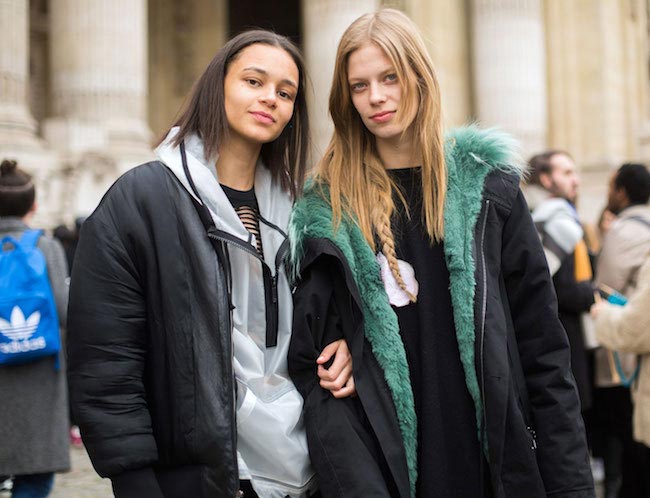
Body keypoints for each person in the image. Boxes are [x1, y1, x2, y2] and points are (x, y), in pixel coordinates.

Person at [287, 8, 594, 498]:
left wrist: (571, 485)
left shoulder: (489, 193)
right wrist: (346, 350)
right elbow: (311, 357)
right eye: (359, 85)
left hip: (491, 466)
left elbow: (544, 352)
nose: (377, 97)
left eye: (390, 77)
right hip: (386, 473)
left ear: (419, 77)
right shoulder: (329, 214)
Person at [67, 30, 342, 498]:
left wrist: (345, 345)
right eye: (253, 81)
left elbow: (329, 317)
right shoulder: (140, 201)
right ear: (218, 86)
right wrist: (133, 478)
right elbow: (107, 360)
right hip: (194, 474)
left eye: (285, 93)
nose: (269, 99)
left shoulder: (304, 211)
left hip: (306, 468)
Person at [0, 159, 70, 497]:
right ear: (34, 205)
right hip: (38, 377)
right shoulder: (45, 248)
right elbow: (63, 308)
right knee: (35, 476)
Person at [592, 162, 650, 498]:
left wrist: (601, 315)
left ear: (622, 191)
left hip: (628, 357)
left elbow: (607, 291)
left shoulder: (623, 231)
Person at [527, 150, 596, 413]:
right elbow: (550, 283)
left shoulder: (552, 216)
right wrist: (590, 294)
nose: (576, 181)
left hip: (566, 333)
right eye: (567, 173)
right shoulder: (552, 220)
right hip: (559, 335)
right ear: (545, 179)